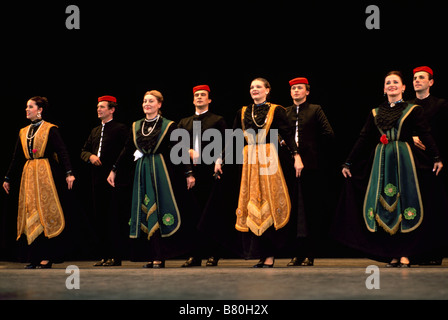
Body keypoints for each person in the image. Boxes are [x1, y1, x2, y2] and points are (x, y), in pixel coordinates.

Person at [336, 71, 446, 267]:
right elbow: (363, 138)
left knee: (406, 204)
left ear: (403, 88)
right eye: (388, 82)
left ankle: (406, 253)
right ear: (384, 88)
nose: (392, 85)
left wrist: (436, 157)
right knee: (385, 206)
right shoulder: (375, 112)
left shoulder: (413, 110)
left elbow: (426, 134)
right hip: (382, 162)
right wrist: (348, 162)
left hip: (406, 162)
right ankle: (393, 253)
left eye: (396, 82)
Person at [214, 78, 304, 268]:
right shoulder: (243, 112)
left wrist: (296, 156)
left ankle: (270, 255)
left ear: (267, 90)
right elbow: (234, 138)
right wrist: (220, 158)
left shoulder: (276, 110)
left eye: (258, 87)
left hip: (270, 159)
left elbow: (287, 134)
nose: (254, 89)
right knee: (252, 203)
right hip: (250, 162)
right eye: (252, 87)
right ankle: (261, 254)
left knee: (270, 203)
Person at [107, 90, 195, 268]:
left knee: (161, 209)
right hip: (142, 170)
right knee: (145, 210)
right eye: (145, 101)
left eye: (151, 101)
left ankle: (160, 255)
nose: (147, 104)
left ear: (159, 104)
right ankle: (150, 254)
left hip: (161, 170)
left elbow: (181, 149)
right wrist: (114, 169)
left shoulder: (168, 125)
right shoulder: (136, 125)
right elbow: (127, 149)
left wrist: (189, 173)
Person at [3, 96, 75, 268]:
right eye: (27, 107)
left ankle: (47, 256)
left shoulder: (50, 129)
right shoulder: (23, 131)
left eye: (30, 107)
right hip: (29, 174)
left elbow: (62, 151)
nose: (27, 110)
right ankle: (33, 256)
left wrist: (69, 172)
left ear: (40, 109)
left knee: (46, 213)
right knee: (31, 212)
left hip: (47, 174)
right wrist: (8, 177)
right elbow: (16, 157)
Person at [283, 77, 335, 267]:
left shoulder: (315, 109)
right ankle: (296, 253)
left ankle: (310, 253)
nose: (296, 91)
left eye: (300, 88)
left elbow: (328, 134)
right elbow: (279, 134)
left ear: (307, 91)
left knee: (310, 210)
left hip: (311, 166)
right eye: (293, 88)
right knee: (294, 210)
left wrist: (310, 149)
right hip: (289, 166)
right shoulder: (285, 112)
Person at [177, 85, 227, 267]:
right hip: (191, 174)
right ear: (192, 100)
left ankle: (214, 254)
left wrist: (219, 160)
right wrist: (188, 172)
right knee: (192, 215)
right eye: (196, 95)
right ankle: (195, 255)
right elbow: (177, 148)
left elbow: (226, 143)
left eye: (203, 95)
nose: (199, 97)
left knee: (212, 215)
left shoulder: (217, 120)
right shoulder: (184, 122)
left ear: (209, 99)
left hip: (211, 172)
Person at [81, 95, 130, 266]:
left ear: (112, 109)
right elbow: (83, 151)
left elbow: (127, 150)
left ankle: (116, 256)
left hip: (114, 178)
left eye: (102, 107)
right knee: (100, 217)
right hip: (97, 179)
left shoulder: (120, 128)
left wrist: (115, 168)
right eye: (98, 107)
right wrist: (91, 157)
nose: (99, 109)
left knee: (113, 217)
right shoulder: (95, 131)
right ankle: (104, 255)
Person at [409, 66, 448, 264]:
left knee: (433, 207)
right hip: (411, 161)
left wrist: (438, 156)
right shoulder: (407, 105)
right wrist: (412, 136)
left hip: (432, 161)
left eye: (421, 77)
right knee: (415, 207)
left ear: (431, 82)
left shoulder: (440, 105)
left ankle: (434, 254)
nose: (417, 80)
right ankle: (415, 251)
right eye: (415, 78)